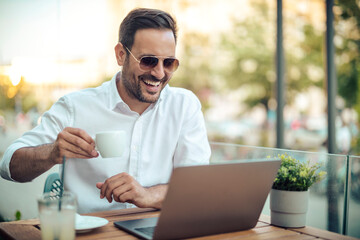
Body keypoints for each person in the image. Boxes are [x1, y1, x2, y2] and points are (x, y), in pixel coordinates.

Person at [0, 8, 211, 213]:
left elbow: (198, 187)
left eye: (169, 63)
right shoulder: (75, 106)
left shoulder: (185, 106)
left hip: (157, 231)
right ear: (121, 55)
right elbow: (8, 166)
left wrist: (146, 195)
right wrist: (52, 152)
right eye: (148, 61)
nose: (159, 73)